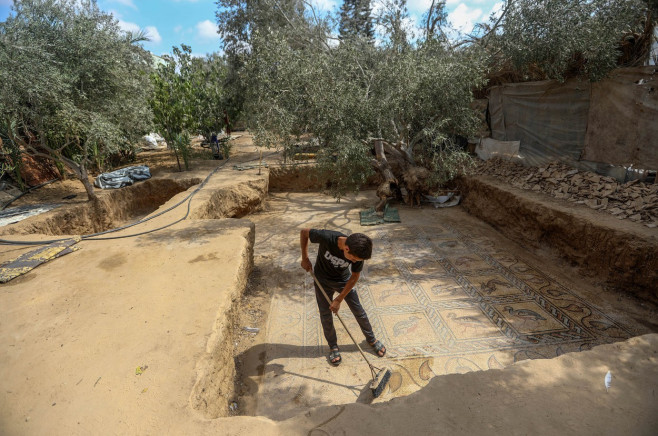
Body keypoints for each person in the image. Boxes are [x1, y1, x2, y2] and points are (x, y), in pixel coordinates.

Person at [300, 228, 386, 366]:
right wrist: (304, 258)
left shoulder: (358, 252)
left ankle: (371, 339)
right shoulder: (327, 237)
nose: (354, 261)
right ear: (346, 248)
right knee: (325, 314)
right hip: (321, 280)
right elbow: (304, 232)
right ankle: (333, 346)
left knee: (359, 311)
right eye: (352, 259)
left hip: (343, 281)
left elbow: (354, 276)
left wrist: (339, 299)